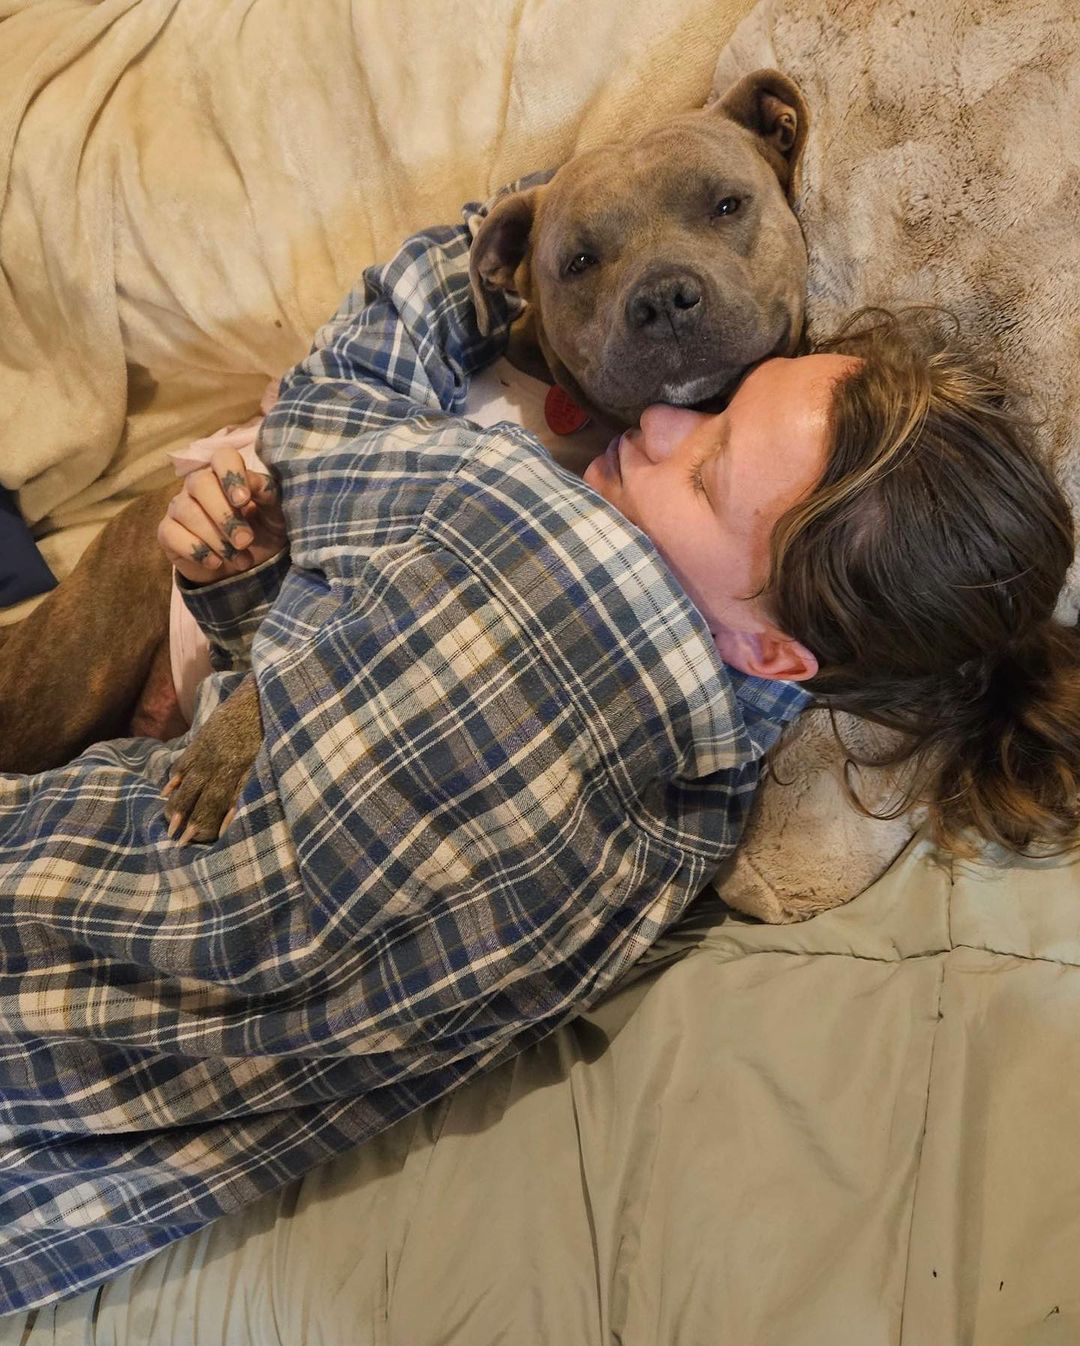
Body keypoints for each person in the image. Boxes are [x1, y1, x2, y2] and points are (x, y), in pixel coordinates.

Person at [0, 197, 1076, 1313]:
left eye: (706, 467)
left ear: (776, 647)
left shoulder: (541, 532)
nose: (658, 420)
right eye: (714, 404)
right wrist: (245, 594)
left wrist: (506, 237)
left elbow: (326, 410)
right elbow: (317, 731)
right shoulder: (686, 827)